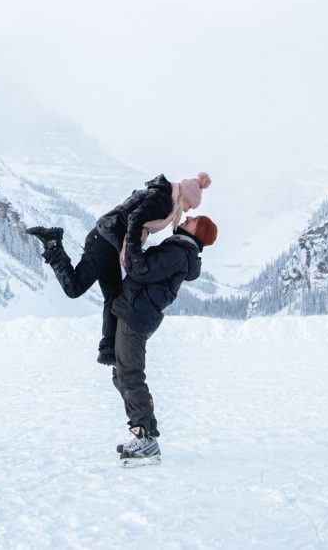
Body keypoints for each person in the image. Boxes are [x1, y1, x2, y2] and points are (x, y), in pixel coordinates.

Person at [26, 172, 211, 365]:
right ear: (184, 197)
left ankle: (108, 349)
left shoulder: (165, 198)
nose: (188, 211)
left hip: (109, 242)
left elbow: (136, 222)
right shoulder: (163, 200)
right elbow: (135, 218)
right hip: (103, 241)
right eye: (190, 205)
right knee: (74, 288)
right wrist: (135, 255)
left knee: (114, 295)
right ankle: (53, 244)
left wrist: (131, 249)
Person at [112, 214, 218, 466]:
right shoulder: (178, 249)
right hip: (134, 311)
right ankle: (143, 431)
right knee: (122, 375)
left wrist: (135, 229)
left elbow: (141, 270)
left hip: (137, 315)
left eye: (193, 221)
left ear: (197, 233)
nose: (188, 217)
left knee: (129, 374)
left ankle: (145, 437)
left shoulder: (179, 253)